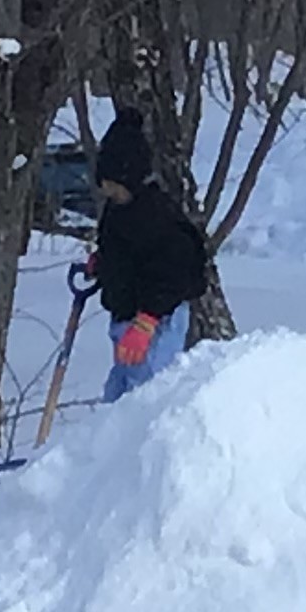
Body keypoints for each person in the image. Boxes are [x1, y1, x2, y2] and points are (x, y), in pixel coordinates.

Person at [82, 107, 210, 402]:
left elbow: (174, 270)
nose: (110, 194)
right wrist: (103, 265)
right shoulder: (119, 211)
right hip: (126, 319)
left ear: (133, 179)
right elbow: (125, 255)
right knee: (118, 397)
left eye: (116, 188)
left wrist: (147, 320)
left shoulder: (155, 216)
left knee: (147, 395)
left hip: (155, 322)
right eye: (107, 188)